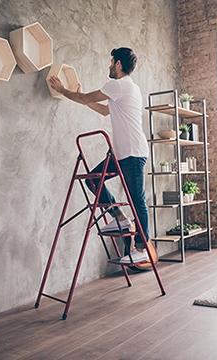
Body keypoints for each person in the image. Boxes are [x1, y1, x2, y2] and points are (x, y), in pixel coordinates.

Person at [48, 47, 149, 264]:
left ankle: (142, 247)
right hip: (122, 153)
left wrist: (64, 90)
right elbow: (103, 110)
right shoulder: (125, 89)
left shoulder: (119, 84)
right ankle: (121, 218)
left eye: (112, 62)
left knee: (137, 199)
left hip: (132, 152)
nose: (109, 66)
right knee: (94, 181)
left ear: (119, 64)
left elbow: (85, 98)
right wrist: (77, 96)